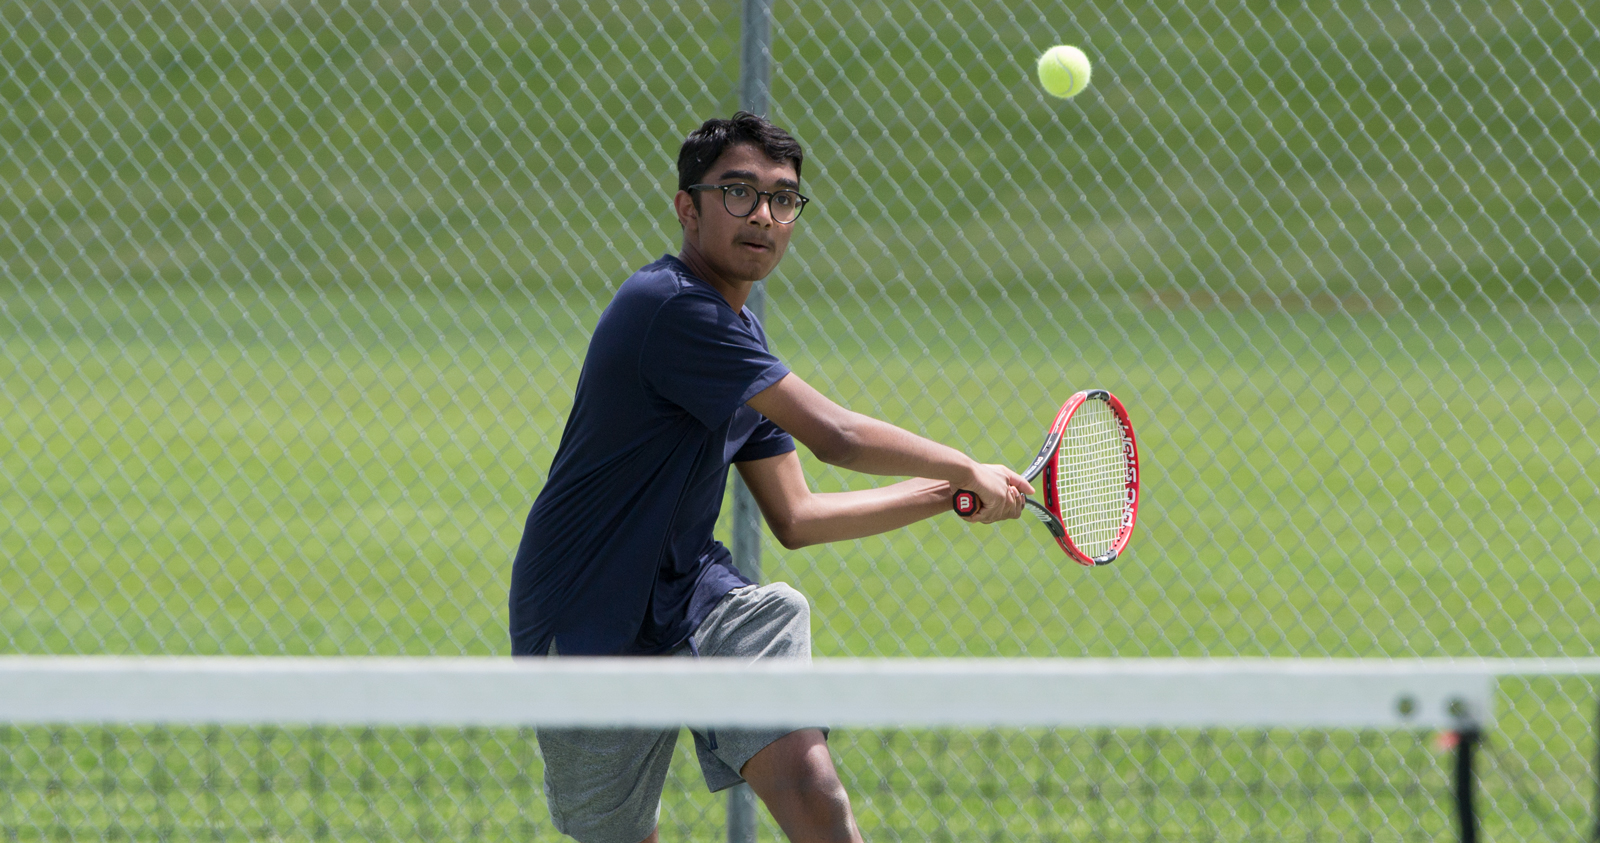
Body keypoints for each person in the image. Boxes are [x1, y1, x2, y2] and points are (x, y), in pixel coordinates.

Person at [509, 111, 1031, 843]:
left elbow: (796, 514)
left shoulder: (742, 340)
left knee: (814, 787)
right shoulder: (670, 307)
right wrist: (962, 461)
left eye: (783, 198)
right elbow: (836, 435)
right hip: (586, 611)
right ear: (688, 207)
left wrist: (947, 495)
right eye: (739, 192)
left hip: (695, 596)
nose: (763, 215)